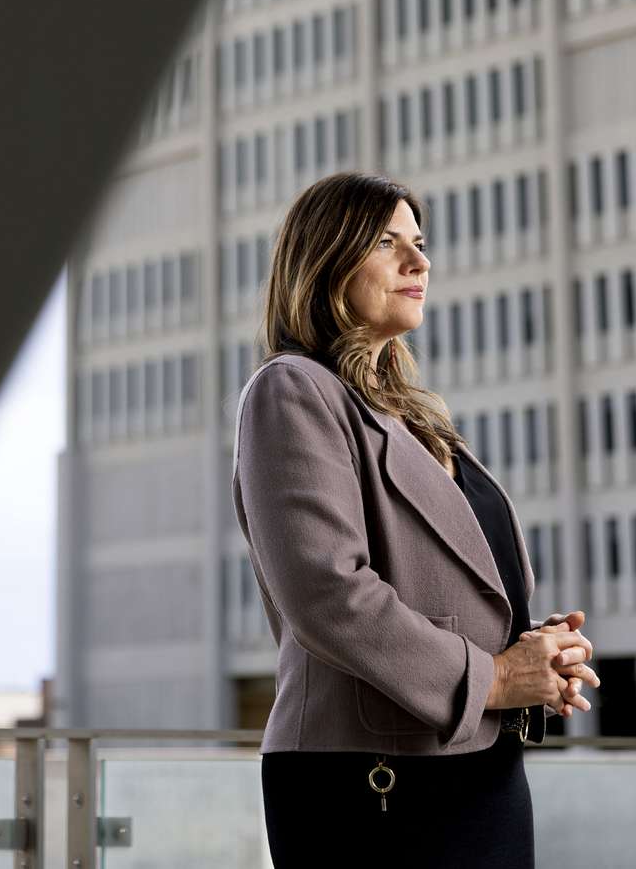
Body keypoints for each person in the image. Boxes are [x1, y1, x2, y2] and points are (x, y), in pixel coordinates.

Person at [231, 172, 599, 867]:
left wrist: (539, 656)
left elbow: (454, 587)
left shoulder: (413, 419)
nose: (419, 261)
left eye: (420, 243)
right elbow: (327, 591)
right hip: (373, 779)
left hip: (474, 768)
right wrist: (491, 677)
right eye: (386, 241)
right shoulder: (293, 388)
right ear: (326, 259)